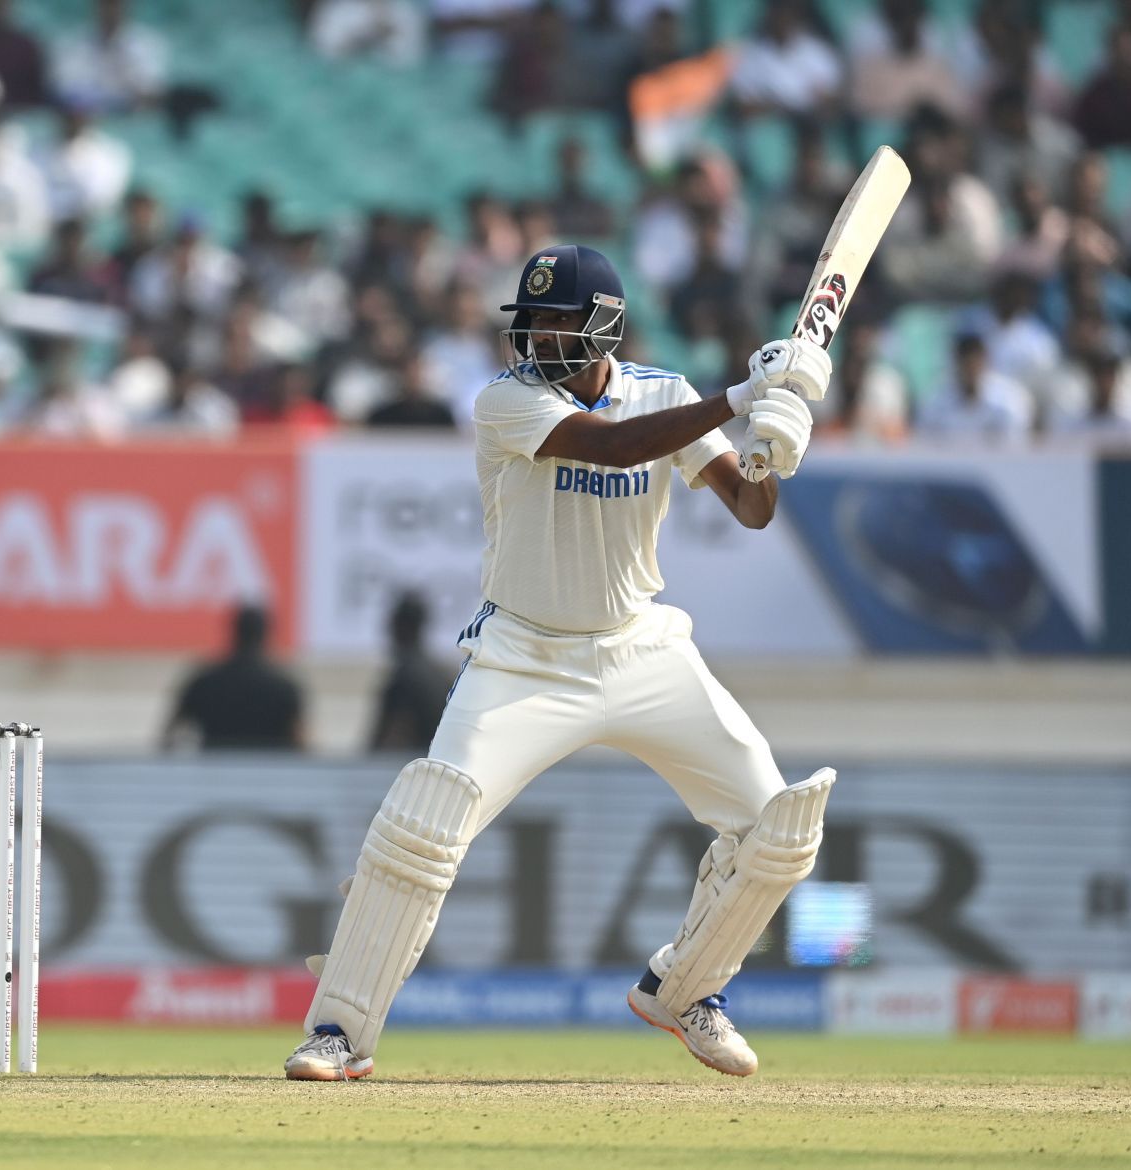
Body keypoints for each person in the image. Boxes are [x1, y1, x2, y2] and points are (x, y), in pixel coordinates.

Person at [283, 243, 836, 1082]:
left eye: (557, 320)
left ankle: (684, 990)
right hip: (523, 656)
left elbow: (752, 509)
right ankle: (338, 1032)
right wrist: (739, 395)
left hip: (640, 648)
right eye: (530, 320)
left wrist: (773, 439)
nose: (539, 335)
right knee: (424, 822)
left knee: (779, 827)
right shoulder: (505, 402)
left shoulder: (665, 393)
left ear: (604, 326)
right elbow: (609, 450)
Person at [162, 604, 304, 751]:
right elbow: (300, 744)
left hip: (214, 771)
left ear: (233, 631)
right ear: (267, 634)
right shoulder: (285, 688)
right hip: (267, 771)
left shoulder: (203, 683)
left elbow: (168, 737)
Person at [367, 592, 452, 752]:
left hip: (413, 766)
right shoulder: (443, 674)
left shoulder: (404, 678)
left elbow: (387, 739)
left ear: (399, 627)